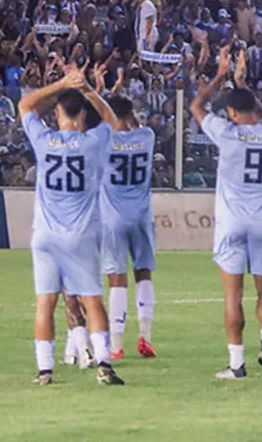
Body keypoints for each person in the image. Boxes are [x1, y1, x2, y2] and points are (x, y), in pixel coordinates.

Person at [18, 63, 126, 386]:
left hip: (46, 235)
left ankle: (45, 370)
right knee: (92, 299)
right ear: (82, 117)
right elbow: (112, 119)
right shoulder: (92, 142)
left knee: (45, 302)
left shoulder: (44, 140)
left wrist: (60, 83)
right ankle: (104, 363)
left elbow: (24, 105)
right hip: (80, 234)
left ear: (57, 116)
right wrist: (87, 89)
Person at [190, 45, 262, 380]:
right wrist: (242, 84)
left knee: (233, 294)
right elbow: (258, 113)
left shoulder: (226, 132)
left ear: (230, 113)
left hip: (232, 221)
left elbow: (196, 106)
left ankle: (236, 365)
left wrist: (221, 75)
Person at [98, 92, 158, 360]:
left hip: (113, 217)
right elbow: (135, 126)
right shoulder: (147, 137)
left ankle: (117, 345)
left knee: (116, 278)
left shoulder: (104, 141)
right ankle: (146, 337)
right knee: (144, 274)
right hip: (142, 216)